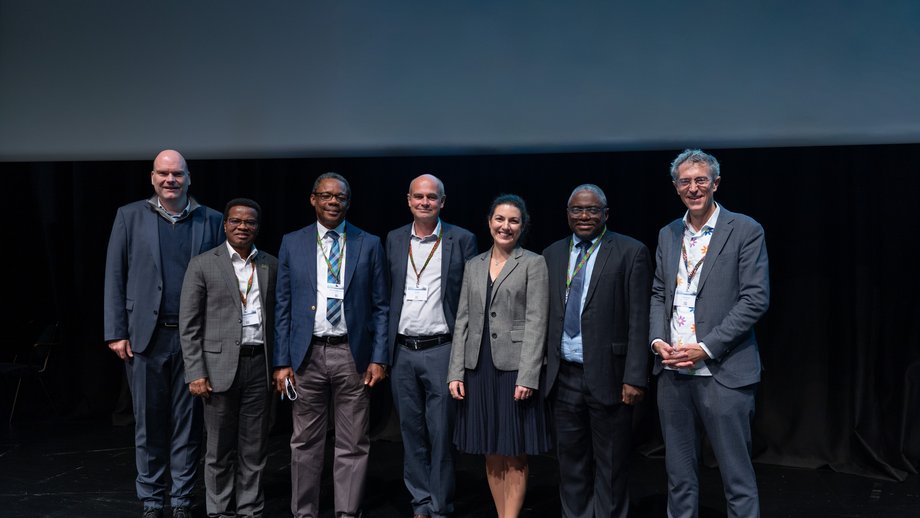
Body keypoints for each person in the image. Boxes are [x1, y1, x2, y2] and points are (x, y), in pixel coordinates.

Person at [104, 149, 225, 518]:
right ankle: (153, 499)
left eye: (177, 174)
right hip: (145, 339)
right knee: (148, 424)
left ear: (189, 178)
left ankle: (182, 499)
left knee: (189, 428)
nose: (170, 180)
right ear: (152, 177)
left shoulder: (212, 220)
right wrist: (115, 332)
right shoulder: (129, 216)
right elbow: (115, 274)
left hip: (195, 341)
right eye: (163, 173)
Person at [650, 149, 770, 518]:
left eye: (701, 179)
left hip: (723, 372)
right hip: (673, 373)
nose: (694, 187)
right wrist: (657, 341)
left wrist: (706, 347)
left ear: (715, 183)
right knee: (679, 477)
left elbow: (755, 299)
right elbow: (658, 292)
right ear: (676, 187)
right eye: (685, 181)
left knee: (737, 478)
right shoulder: (669, 233)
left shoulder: (745, 229)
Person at [272, 172, 389, 518]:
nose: (333, 202)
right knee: (305, 441)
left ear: (348, 202)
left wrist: (379, 357)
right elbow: (283, 306)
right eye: (326, 196)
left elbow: (381, 306)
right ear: (313, 199)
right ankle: (304, 512)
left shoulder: (369, 243)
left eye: (340, 197)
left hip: (352, 354)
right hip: (305, 356)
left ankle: (347, 513)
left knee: (353, 442)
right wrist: (281, 361)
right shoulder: (292, 243)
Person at [542, 184, 651, 518]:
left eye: (592, 210)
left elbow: (638, 319)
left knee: (612, 464)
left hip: (611, 376)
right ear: (567, 214)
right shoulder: (552, 254)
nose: (584, 216)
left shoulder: (631, 251)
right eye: (577, 209)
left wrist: (635, 376)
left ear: (606, 214)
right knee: (570, 463)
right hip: (564, 376)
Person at [448, 194, 551, 518]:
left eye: (513, 220)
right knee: (490, 449)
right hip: (479, 369)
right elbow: (463, 319)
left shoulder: (533, 263)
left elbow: (538, 321)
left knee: (514, 452)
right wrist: (455, 372)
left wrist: (528, 376)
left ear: (522, 226)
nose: (505, 226)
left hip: (514, 371)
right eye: (500, 219)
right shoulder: (474, 264)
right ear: (489, 221)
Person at [179, 198, 278, 518]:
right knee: (218, 448)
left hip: (259, 366)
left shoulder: (270, 264)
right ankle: (219, 510)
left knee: (254, 448)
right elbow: (189, 324)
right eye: (236, 221)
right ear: (225, 224)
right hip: (218, 369)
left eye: (249, 222)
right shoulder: (203, 264)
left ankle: (249, 509)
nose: (242, 227)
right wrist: (195, 372)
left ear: (257, 227)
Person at [386, 174, 477, 518]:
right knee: (410, 433)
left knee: (441, 435)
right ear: (408, 200)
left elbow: (469, 301)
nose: (425, 202)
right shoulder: (394, 239)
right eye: (419, 197)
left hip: (443, 350)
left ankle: (440, 505)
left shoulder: (462, 239)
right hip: (403, 352)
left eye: (432, 197)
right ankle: (420, 502)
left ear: (443, 202)